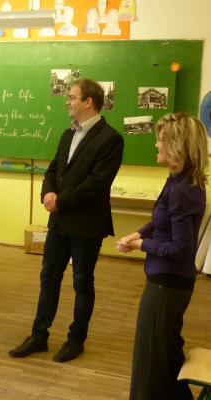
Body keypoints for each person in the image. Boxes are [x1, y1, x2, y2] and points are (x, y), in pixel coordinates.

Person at [9, 79, 124, 362]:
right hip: (60, 222)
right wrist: (48, 192)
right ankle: (39, 336)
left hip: (86, 224)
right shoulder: (67, 134)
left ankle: (76, 340)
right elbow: (53, 170)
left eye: (72, 97)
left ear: (88, 102)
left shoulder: (110, 139)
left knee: (82, 283)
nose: (67, 102)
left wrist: (61, 199)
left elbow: (97, 183)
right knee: (48, 278)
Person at [116, 112, 208, 400]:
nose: (156, 144)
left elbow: (181, 249)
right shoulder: (178, 181)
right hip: (168, 280)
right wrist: (137, 234)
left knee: (151, 360)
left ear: (178, 146)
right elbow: (160, 221)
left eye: (161, 139)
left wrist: (142, 244)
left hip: (168, 284)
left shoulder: (183, 190)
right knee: (164, 354)